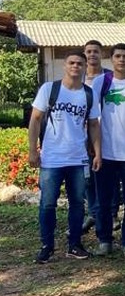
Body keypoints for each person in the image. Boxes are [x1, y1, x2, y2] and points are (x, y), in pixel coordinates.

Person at [28, 50, 101, 263]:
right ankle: (46, 246)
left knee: (78, 203)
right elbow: (35, 120)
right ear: (64, 65)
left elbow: (94, 124)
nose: (76, 66)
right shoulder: (49, 89)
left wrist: (97, 152)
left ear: (85, 66)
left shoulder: (88, 94)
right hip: (51, 158)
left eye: (80, 63)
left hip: (78, 158)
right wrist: (33, 150)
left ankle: (75, 244)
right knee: (47, 203)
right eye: (72, 63)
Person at [91, 43, 125, 260]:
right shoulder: (101, 82)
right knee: (104, 200)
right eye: (118, 56)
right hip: (106, 153)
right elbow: (93, 118)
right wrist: (96, 151)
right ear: (111, 59)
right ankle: (104, 240)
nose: (122, 60)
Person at [81, 40, 110, 234]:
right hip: (81, 134)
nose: (92, 55)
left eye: (96, 52)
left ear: (102, 54)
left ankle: (110, 214)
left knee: (107, 177)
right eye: (89, 52)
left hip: (105, 132)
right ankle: (92, 212)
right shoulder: (78, 76)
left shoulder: (109, 77)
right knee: (88, 178)